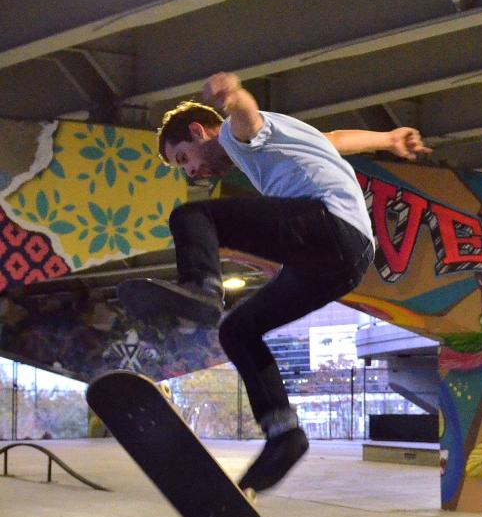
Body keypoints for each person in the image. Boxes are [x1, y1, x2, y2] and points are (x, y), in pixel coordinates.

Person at [137, 71, 429, 493]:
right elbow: (334, 138)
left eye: (184, 158)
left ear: (199, 131)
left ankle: (201, 288)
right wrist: (388, 140)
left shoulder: (236, 138)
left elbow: (246, 117)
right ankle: (284, 433)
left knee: (191, 215)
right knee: (238, 330)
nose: (192, 172)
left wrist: (234, 96)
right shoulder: (287, 134)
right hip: (343, 261)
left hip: (328, 225)